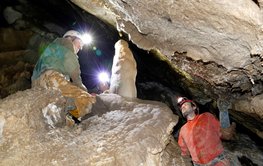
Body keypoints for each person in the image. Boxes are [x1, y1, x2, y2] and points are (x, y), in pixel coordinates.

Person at [31, 30, 96, 126]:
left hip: (38, 84)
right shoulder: (65, 42)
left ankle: (67, 121)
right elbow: (73, 67)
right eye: (80, 43)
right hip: (51, 77)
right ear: (71, 38)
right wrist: (82, 89)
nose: (81, 47)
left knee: (66, 99)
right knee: (84, 98)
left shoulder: (54, 49)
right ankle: (73, 122)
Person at [176, 97, 236, 166]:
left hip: (218, 162)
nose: (182, 107)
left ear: (194, 107)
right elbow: (184, 153)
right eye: (181, 107)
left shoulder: (207, 117)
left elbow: (224, 133)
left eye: (185, 104)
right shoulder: (183, 130)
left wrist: (223, 111)